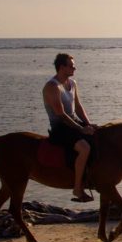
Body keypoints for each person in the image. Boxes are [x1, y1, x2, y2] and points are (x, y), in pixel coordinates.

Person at [43, 53, 98, 202]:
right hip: (60, 128)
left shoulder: (72, 83)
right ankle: (77, 188)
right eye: (71, 65)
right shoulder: (52, 87)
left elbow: (78, 107)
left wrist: (88, 124)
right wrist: (81, 129)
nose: (75, 68)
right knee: (84, 148)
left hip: (73, 123)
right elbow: (61, 115)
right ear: (62, 67)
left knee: (100, 137)